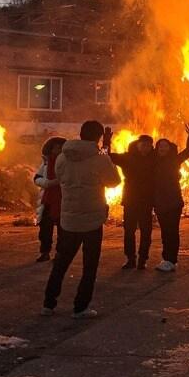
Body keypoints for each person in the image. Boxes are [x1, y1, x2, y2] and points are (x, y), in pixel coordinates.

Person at [44, 121, 122, 318]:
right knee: (89, 266)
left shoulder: (63, 157)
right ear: (98, 137)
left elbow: (59, 177)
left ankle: (48, 303)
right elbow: (114, 181)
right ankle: (80, 307)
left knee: (61, 262)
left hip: (68, 218)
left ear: (80, 134)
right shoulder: (100, 159)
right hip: (92, 219)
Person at [151, 125, 189, 272]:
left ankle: (170, 260)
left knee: (172, 231)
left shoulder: (174, 160)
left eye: (165, 146)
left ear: (169, 148)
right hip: (159, 203)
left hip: (173, 202)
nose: (162, 148)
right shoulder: (153, 163)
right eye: (160, 146)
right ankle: (168, 259)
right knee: (165, 232)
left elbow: (188, 151)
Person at [110, 134, 157, 270]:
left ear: (151, 146)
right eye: (143, 144)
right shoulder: (127, 158)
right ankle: (130, 258)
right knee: (129, 231)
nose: (145, 147)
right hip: (130, 199)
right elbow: (107, 155)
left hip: (147, 201)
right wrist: (107, 141)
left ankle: (143, 259)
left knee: (146, 231)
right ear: (138, 145)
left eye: (148, 145)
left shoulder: (155, 158)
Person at [33, 136, 67, 263]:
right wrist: (48, 183)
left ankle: (60, 254)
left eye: (61, 148)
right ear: (50, 149)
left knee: (63, 230)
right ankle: (45, 252)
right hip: (48, 200)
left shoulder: (68, 163)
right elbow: (37, 178)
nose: (58, 150)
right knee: (45, 229)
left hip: (63, 200)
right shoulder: (45, 163)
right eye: (56, 148)